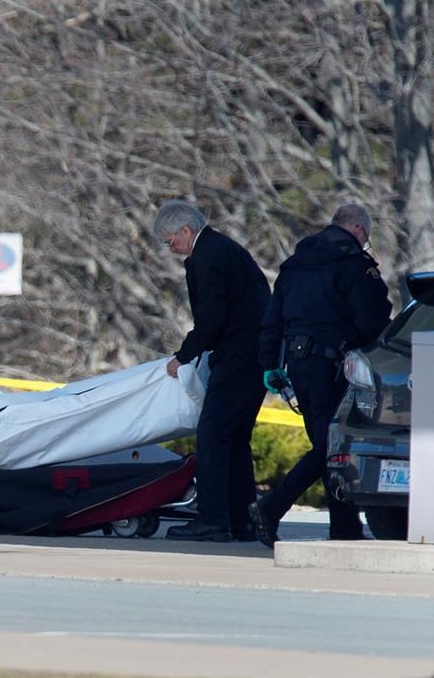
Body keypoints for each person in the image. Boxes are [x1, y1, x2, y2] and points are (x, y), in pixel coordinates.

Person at [249, 203, 392, 547]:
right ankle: (271, 507)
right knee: (332, 446)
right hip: (334, 367)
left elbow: (273, 319)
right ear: (358, 229)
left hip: (298, 365)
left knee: (326, 445)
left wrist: (270, 364)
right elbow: (372, 319)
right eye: (366, 237)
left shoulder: (295, 263)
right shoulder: (354, 264)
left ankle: (344, 526)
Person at [153, 200, 272, 542]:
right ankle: (243, 519)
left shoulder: (205, 256)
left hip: (238, 353)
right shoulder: (226, 249)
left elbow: (212, 317)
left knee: (212, 435)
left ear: (187, 231)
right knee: (234, 438)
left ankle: (213, 520)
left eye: (171, 240)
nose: (171, 248)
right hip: (255, 352)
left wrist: (184, 356)